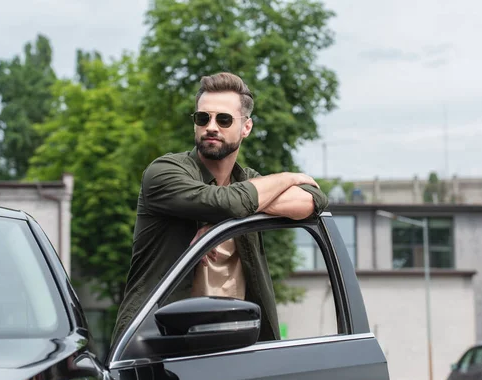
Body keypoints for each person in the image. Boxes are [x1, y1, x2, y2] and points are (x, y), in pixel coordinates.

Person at [110, 72, 328, 346]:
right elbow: (230, 202)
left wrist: (225, 218)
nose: (211, 126)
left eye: (224, 119)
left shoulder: (250, 182)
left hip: (237, 347)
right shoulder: (164, 172)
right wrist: (288, 178)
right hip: (158, 347)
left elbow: (313, 200)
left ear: (246, 127)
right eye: (203, 118)